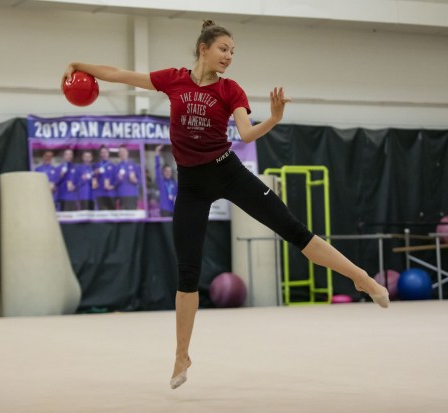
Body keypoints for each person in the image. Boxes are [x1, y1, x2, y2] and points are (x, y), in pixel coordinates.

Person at [62, 19, 389, 390]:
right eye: (223, 49)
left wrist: (275, 119)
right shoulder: (173, 79)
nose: (229, 56)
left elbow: (247, 133)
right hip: (191, 185)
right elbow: (118, 74)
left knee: (293, 230)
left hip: (227, 172)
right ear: (204, 48)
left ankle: (361, 278)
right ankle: (181, 355)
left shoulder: (231, 90)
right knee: (188, 274)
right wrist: (78, 64)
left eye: (233, 52)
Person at [113, 145, 141, 210]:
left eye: (124, 151)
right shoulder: (116, 167)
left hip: (132, 194)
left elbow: (140, 181)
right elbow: (114, 183)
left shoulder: (134, 165)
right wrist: (118, 179)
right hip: (121, 195)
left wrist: (135, 180)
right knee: (124, 217)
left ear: (127, 152)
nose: (122, 153)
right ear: (119, 154)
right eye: (120, 152)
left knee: (133, 217)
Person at [155, 145, 177, 217]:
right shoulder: (161, 181)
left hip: (174, 209)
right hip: (164, 210)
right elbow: (157, 168)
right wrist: (157, 153)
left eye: (169, 171)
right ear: (163, 172)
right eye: (166, 171)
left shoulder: (174, 183)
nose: (168, 172)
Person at [93, 145, 117, 210]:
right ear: (100, 154)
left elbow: (117, 181)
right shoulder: (95, 166)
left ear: (108, 153)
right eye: (102, 152)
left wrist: (112, 187)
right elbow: (92, 179)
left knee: (111, 215)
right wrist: (94, 174)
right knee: (101, 216)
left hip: (111, 194)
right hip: (99, 194)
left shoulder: (113, 166)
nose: (104, 154)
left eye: (105, 152)